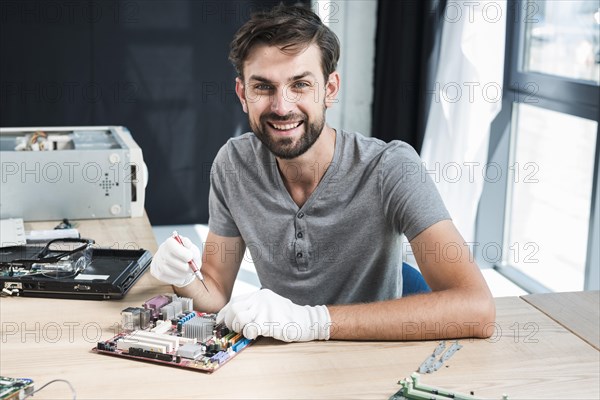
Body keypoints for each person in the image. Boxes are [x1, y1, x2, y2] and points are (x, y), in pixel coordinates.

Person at [151, 3, 495, 342]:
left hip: (372, 363)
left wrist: (314, 321)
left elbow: (476, 308)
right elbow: (214, 294)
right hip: (284, 365)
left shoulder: (392, 168)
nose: (282, 107)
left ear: (329, 89)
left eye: (300, 84)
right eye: (263, 87)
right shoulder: (233, 164)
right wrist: (183, 276)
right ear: (243, 94)